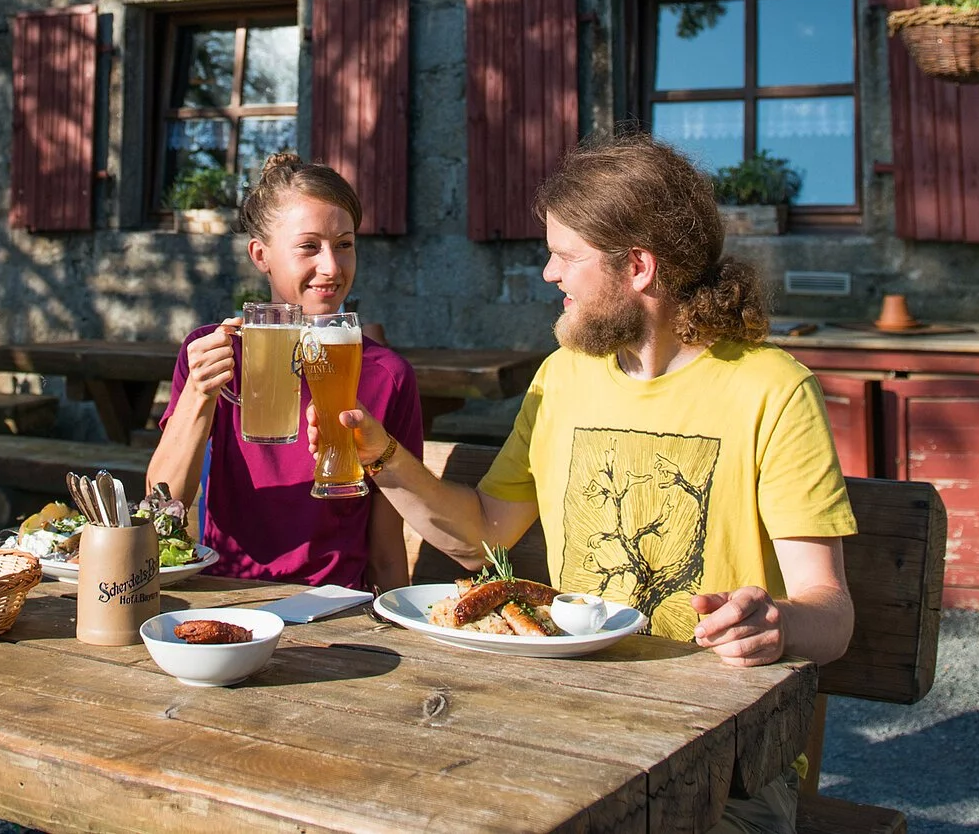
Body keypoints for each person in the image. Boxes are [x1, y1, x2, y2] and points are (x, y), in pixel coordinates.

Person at [334, 133, 855, 834]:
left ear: (637, 266)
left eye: (566, 256)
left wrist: (776, 622)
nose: (549, 274)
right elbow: (481, 536)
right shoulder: (563, 377)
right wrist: (382, 457)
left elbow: (834, 616)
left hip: (723, 769)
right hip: (569, 730)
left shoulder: (773, 390)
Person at [145, 152, 424, 590]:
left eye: (345, 244)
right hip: (226, 596)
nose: (331, 267)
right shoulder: (212, 352)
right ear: (261, 255)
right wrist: (200, 394)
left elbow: (387, 547)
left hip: (335, 606)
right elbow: (162, 507)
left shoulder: (387, 375)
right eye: (309, 246)